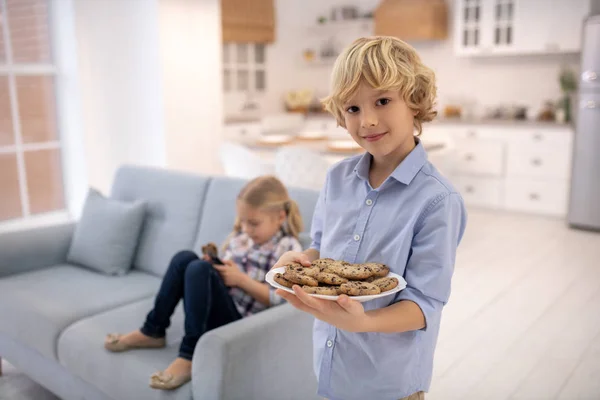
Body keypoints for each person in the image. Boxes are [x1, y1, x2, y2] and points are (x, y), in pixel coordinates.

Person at [273, 36, 467, 400]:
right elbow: (321, 249)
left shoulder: (438, 201)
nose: (368, 120)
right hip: (332, 368)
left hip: (388, 383)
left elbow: (425, 304)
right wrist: (298, 262)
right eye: (352, 109)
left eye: (382, 101)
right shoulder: (336, 178)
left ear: (415, 100)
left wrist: (364, 323)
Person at [104, 176, 303, 390]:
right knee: (184, 259)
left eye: (253, 223)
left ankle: (189, 355)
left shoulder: (287, 248)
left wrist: (241, 280)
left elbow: (281, 299)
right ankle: (152, 331)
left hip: (241, 322)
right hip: (217, 304)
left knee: (199, 269)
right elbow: (221, 273)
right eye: (243, 221)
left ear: (280, 217)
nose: (246, 229)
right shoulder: (240, 238)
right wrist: (217, 268)